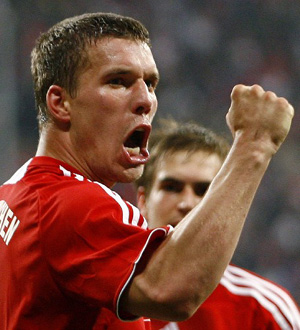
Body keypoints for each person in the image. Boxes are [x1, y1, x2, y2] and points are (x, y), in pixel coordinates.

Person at [0, 12, 294, 330]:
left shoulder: (14, 193)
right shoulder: (70, 204)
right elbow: (174, 291)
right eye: (118, 81)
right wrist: (254, 144)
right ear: (60, 103)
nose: (146, 100)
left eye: (150, 83)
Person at [135, 119, 300, 330]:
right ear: (143, 201)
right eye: (172, 187)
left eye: (204, 190)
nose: (187, 203)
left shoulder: (263, 311)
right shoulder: (102, 296)